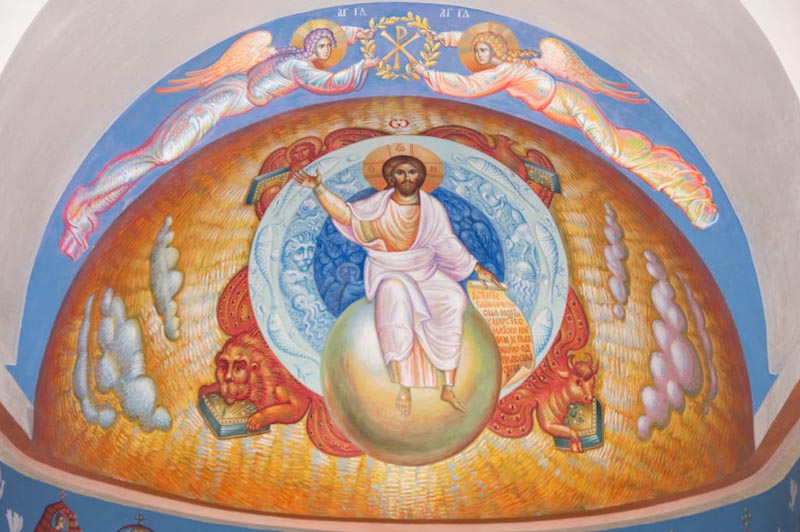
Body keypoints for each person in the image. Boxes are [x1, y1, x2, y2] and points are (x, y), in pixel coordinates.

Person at [59, 22, 379, 260]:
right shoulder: (298, 65)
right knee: (162, 153)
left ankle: (91, 206)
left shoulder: (287, 55)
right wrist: (362, 66)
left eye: (330, 47)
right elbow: (329, 83)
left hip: (226, 97)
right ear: (311, 46)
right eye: (323, 46)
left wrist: (353, 34)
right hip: (223, 101)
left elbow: (329, 38)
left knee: (154, 156)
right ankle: (86, 200)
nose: (327, 52)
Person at [414, 28, 718, 230]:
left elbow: (470, 86)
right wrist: (447, 38)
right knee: (614, 146)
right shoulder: (517, 65)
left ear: (495, 48)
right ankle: (683, 190)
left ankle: (687, 195)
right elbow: (472, 46)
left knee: (613, 149)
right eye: (476, 52)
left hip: (571, 103)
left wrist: (428, 74)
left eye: (482, 50)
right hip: (563, 109)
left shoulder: (507, 70)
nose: (478, 56)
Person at [294, 154, 500, 416]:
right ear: (391, 178)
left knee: (453, 298)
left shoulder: (431, 208)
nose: (407, 178)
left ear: (420, 177)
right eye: (400, 173)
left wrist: (477, 268)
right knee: (396, 296)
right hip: (389, 270)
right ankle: (404, 385)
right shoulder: (377, 206)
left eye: (412, 172)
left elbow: (447, 242)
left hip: (425, 271)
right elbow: (346, 214)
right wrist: (319, 188)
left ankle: (448, 385)